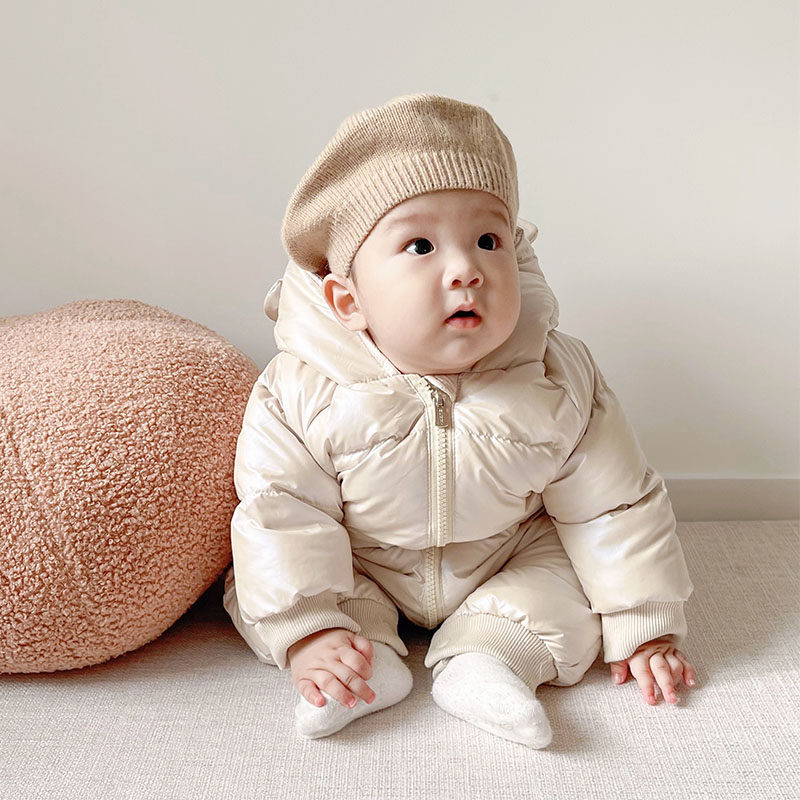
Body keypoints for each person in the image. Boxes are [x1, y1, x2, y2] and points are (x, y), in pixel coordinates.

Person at [222, 93, 696, 749]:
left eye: (488, 240)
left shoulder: (558, 375)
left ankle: (491, 658)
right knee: (259, 580)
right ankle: (356, 657)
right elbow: (283, 510)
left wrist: (645, 623)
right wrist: (309, 627)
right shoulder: (298, 389)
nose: (466, 269)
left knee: (565, 579)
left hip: (504, 555)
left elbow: (613, 506)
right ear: (348, 300)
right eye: (420, 245)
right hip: (364, 560)